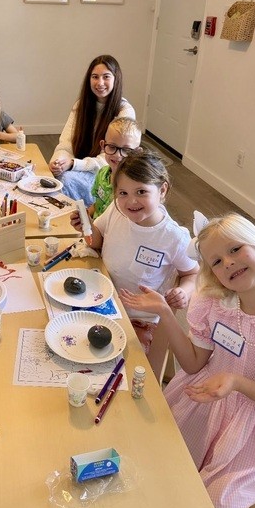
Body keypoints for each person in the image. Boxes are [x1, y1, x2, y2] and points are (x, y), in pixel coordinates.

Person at [118, 213, 255, 508]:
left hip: (251, 430)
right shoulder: (216, 303)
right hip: (201, 402)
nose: (229, 263)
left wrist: (237, 383)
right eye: (217, 261)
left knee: (215, 503)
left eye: (235, 249)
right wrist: (165, 312)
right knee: (154, 463)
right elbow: (194, 364)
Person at [70, 150, 199, 378]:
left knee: (113, 371)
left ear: (162, 190)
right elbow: (97, 239)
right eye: (123, 193)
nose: (131, 201)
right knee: (68, 341)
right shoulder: (116, 210)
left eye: (141, 192)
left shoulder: (174, 237)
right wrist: (86, 227)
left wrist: (184, 291)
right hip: (102, 298)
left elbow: (192, 273)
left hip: (139, 319)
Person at [49, 55, 136, 206]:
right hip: (81, 167)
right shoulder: (80, 106)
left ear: (116, 79)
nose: (100, 83)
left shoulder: (125, 112)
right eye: (95, 77)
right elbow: (66, 143)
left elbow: (111, 159)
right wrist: (58, 162)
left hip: (109, 174)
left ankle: (77, 217)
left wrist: (73, 164)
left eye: (106, 77)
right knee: (51, 177)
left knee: (65, 181)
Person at [88, 117, 142, 220]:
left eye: (126, 150)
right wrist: (85, 214)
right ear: (103, 145)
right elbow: (97, 205)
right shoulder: (102, 173)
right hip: (95, 225)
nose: (117, 155)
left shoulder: (133, 187)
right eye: (112, 147)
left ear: (137, 153)